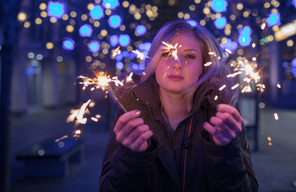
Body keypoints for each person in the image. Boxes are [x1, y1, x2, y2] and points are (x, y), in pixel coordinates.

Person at [99, 20, 258, 192]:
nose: (176, 64)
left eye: (189, 56)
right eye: (167, 54)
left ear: (204, 67)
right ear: (155, 61)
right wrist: (130, 159)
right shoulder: (131, 112)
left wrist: (226, 154)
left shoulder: (222, 116)